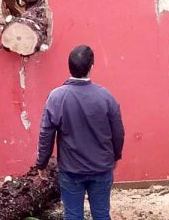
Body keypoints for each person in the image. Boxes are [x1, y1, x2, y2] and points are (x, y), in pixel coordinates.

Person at [34, 45, 125, 220]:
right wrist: (115, 157)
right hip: (101, 168)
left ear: (69, 66)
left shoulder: (56, 97)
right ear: (92, 66)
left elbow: (46, 134)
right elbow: (118, 133)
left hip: (71, 171)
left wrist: (42, 164)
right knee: (101, 215)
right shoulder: (106, 97)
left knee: (73, 216)